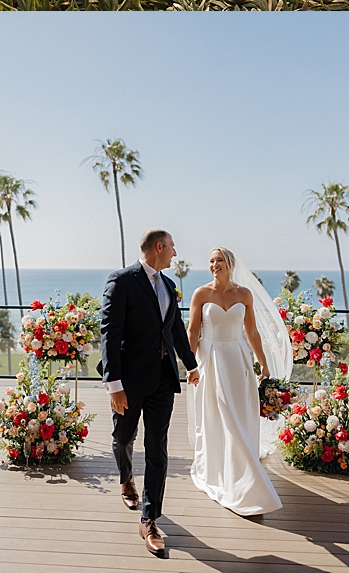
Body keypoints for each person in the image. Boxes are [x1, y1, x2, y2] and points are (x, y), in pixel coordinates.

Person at [100, 228, 200, 559]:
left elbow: (174, 330)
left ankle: (149, 519)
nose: (175, 252)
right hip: (128, 382)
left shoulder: (169, 287)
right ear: (159, 247)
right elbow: (109, 335)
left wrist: (191, 365)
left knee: (157, 447)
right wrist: (114, 384)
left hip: (162, 380)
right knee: (123, 438)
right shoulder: (122, 281)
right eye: (172, 246)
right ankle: (126, 478)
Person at [187, 247, 293, 516]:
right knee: (217, 414)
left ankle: (243, 468)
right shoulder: (201, 293)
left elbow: (252, 331)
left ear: (230, 263)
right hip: (210, 360)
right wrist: (190, 366)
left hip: (236, 359)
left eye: (219, 260)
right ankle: (232, 472)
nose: (214, 265)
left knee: (238, 414)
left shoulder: (244, 294)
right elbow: (192, 331)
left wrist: (264, 363)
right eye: (211, 261)